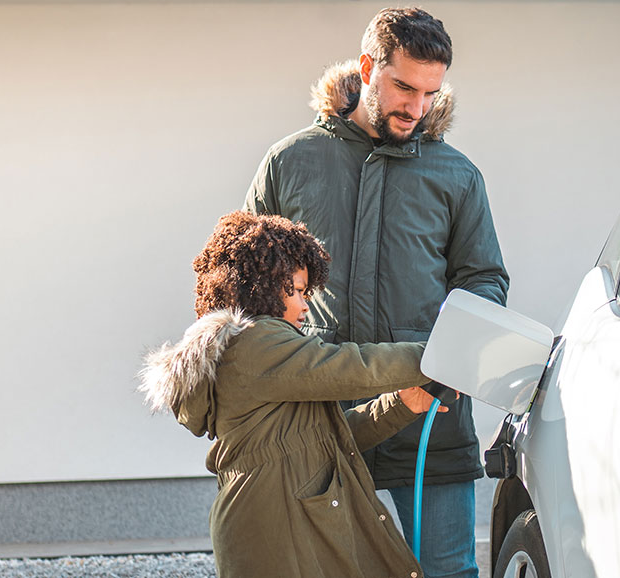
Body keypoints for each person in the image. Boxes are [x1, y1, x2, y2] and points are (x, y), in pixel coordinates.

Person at [244, 7, 508, 578]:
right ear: (368, 67)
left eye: (429, 94)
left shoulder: (456, 175)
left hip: (430, 420)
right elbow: (246, 285)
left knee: (446, 572)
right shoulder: (291, 163)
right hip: (322, 420)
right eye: (403, 87)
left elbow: (484, 278)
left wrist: (457, 352)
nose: (416, 108)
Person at [139, 211, 446, 577]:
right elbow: (353, 366)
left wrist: (400, 404)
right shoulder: (257, 343)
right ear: (261, 287)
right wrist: (440, 357)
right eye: (295, 291)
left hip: (270, 520)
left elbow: (320, 439)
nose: (304, 306)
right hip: (274, 528)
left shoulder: (259, 354)